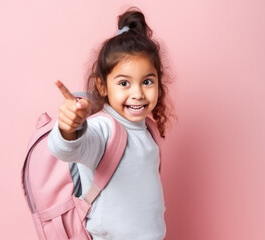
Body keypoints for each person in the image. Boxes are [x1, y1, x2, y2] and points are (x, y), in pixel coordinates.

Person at [48, 8, 172, 240]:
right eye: (124, 83)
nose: (137, 93)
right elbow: (67, 148)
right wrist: (69, 127)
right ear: (103, 86)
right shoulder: (103, 129)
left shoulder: (148, 130)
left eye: (147, 81)